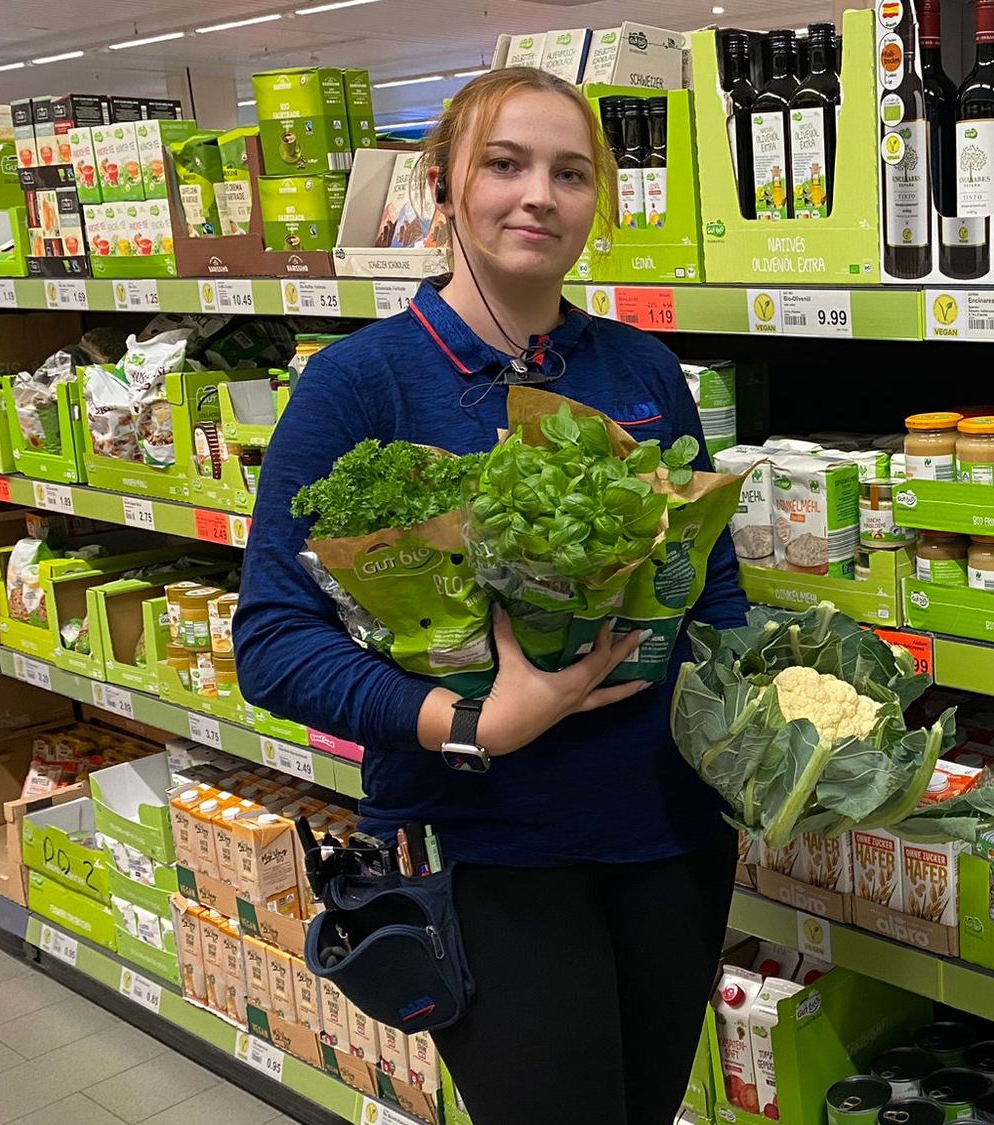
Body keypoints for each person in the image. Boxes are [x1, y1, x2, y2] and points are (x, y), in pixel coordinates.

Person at [233, 67, 743, 1123]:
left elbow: (712, 584)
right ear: (442, 187)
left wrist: (761, 735)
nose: (537, 197)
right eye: (503, 165)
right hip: (487, 846)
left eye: (569, 172)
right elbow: (275, 641)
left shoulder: (641, 370)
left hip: (668, 834)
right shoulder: (360, 384)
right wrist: (475, 724)